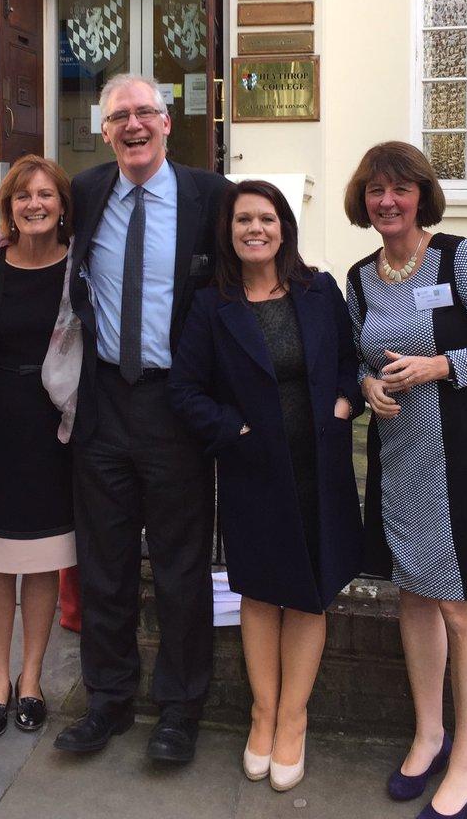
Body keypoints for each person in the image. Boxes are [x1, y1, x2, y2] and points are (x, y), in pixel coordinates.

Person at [344, 142, 467, 819]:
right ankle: (428, 734)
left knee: (460, 605)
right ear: (362, 202)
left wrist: (438, 367)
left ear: (421, 194)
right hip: (397, 454)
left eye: (399, 189)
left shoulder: (459, 258)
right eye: (374, 191)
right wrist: (367, 384)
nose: (386, 201)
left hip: (458, 454)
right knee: (414, 598)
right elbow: (356, 356)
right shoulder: (361, 275)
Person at [53, 73, 229, 764]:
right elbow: (35, 246)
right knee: (104, 563)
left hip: (174, 406)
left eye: (144, 113)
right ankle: (109, 700)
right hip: (102, 403)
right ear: (105, 131)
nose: (132, 125)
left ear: (167, 123)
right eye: (118, 116)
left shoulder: (208, 196)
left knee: (183, 566)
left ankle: (181, 709)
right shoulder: (87, 192)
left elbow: (248, 270)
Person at [169, 180, 363, 791]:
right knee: (259, 594)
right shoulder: (211, 305)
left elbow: (352, 361)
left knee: (310, 593)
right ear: (228, 232)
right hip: (253, 468)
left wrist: (343, 402)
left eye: (267, 218)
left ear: (285, 227)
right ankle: (261, 714)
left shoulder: (319, 290)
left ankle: (293, 720)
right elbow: (184, 391)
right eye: (243, 219)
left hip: (319, 466)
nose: (256, 228)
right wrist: (235, 428)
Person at [0, 154, 79, 740]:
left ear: (62, 205)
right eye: (23, 196)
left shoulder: (81, 268)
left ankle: (31, 679)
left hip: (53, 431)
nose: (35, 205)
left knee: (40, 560)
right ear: (8, 206)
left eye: (46, 195)